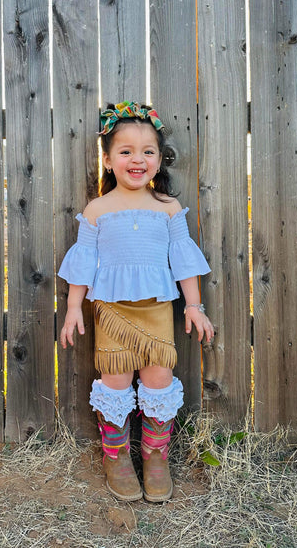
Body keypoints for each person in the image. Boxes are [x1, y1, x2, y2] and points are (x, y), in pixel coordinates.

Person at [58, 101, 214, 502]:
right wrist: (74, 308)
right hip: (111, 313)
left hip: (157, 311)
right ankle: (116, 456)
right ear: (108, 160)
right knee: (116, 382)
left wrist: (194, 306)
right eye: (125, 151)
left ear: (159, 160)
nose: (137, 159)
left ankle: (155, 455)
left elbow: (184, 262)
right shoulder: (97, 210)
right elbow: (83, 266)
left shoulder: (167, 209)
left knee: (158, 380)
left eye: (147, 151)